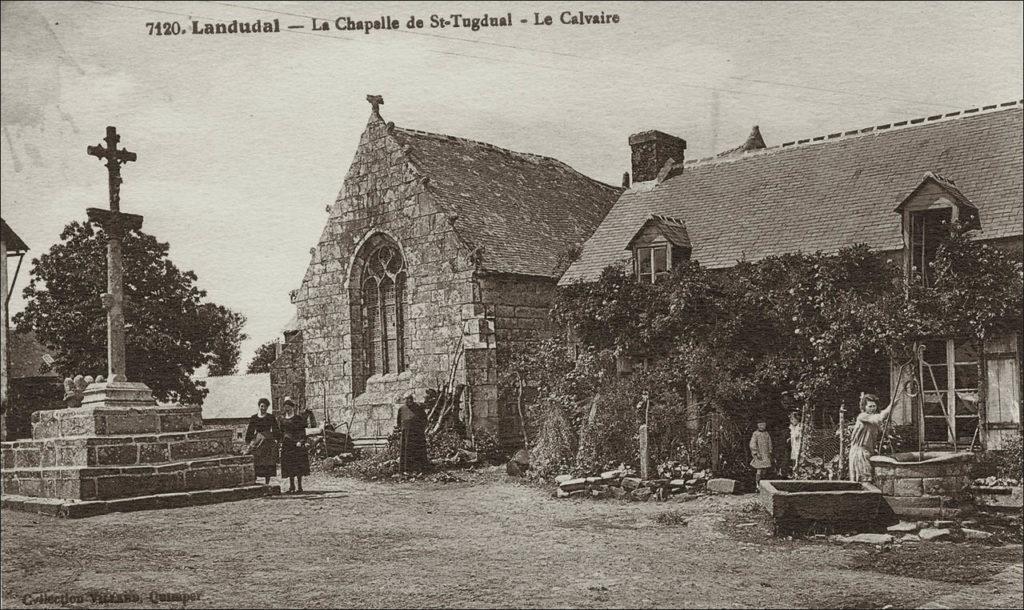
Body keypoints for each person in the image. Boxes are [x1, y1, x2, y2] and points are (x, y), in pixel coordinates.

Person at [849, 393, 894, 482]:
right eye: (870, 406)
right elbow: (880, 417)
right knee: (863, 479)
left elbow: (879, 429)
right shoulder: (863, 417)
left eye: (874, 406)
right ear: (864, 407)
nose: (873, 408)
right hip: (859, 453)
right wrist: (891, 405)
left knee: (868, 479)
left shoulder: (873, 419)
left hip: (868, 451)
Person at [279, 397, 313, 493]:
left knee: (298, 465)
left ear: (292, 407)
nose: (287, 409)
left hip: (297, 444)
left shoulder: (298, 418)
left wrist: (301, 441)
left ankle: (300, 487)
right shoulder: (282, 419)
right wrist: (280, 442)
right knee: (289, 466)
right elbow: (281, 432)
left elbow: (302, 432)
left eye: (289, 406)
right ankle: (291, 486)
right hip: (287, 445)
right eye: (286, 407)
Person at [245, 398, 280, 484]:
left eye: (265, 407)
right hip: (258, 440)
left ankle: (267, 482)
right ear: (259, 406)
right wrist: (249, 441)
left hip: (268, 441)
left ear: (267, 407)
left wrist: (277, 439)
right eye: (262, 406)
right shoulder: (254, 418)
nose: (263, 408)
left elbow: (275, 429)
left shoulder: (270, 417)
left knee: (268, 461)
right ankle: (255, 480)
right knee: (257, 459)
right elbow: (250, 430)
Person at [397, 393, 429, 473]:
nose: (409, 400)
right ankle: (406, 470)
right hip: (406, 434)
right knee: (406, 451)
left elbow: (424, 419)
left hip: (417, 433)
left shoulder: (418, 408)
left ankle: (419, 469)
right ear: (404, 400)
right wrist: (403, 429)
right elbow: (399, 422)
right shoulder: (401, 409)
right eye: (407, 399)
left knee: (417, 450)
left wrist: (420, 429)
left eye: (411, 398)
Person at [749, 418, 773, 489]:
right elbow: (752, 444)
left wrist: (770, 450)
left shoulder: (766, 434)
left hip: (765, 454)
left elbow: (769, 443)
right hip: (759, 454)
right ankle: (757, 484)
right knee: (759, 469)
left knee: (765, 469)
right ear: (758, 425)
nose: (763, 427)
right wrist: (755, 452)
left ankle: (763, 484)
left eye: (764, 425)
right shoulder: (755, 434)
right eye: (761, 425)